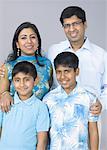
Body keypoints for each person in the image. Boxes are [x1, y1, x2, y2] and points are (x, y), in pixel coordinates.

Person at [47, 6, 107, 114]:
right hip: (58, 117)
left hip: (90, 115)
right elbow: (38, 72)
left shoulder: (101, 55)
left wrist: (102, 104)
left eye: (76, 24)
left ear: (85, 24)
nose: (71, 29)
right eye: (67, 25)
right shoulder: (53, 51)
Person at [43, 52, 99, 150]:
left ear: (76, 71)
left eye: (67, 71)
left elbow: (93, 130)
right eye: (59, 72)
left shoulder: (89, 98)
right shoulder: (48, 99)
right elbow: (44, 132)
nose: (62, 76)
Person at [0, 22, 53, 112]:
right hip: (16, 116)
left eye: (32, 37)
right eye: (23, 38)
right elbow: (2, 92)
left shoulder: (47, 64)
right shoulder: (8, 66)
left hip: (42, 116)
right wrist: (5, 94)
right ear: (17, 44)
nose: (29, 41)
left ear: (38, 42)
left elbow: (52, 90)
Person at [0, 61, 50, 150]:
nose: (22, 84)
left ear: (35, 80)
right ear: (12, 82)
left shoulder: (41, 107)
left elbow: (42, 141)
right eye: (17, 80)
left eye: (27, 79)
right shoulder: (6, 103)